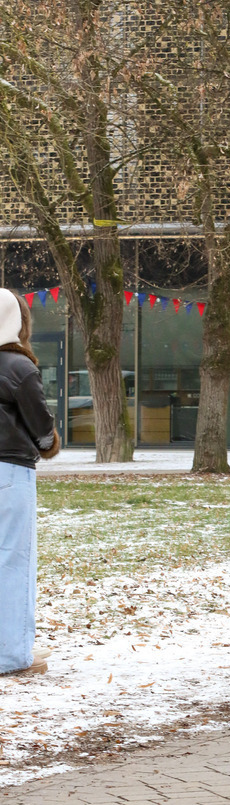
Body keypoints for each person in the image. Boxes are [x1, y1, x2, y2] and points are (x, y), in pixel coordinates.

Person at [0, 289, 59, 678]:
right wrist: (50, 443)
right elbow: (42, 428)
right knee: (12, 560)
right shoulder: (19, 368)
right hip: (8, 472)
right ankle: (12, 655)